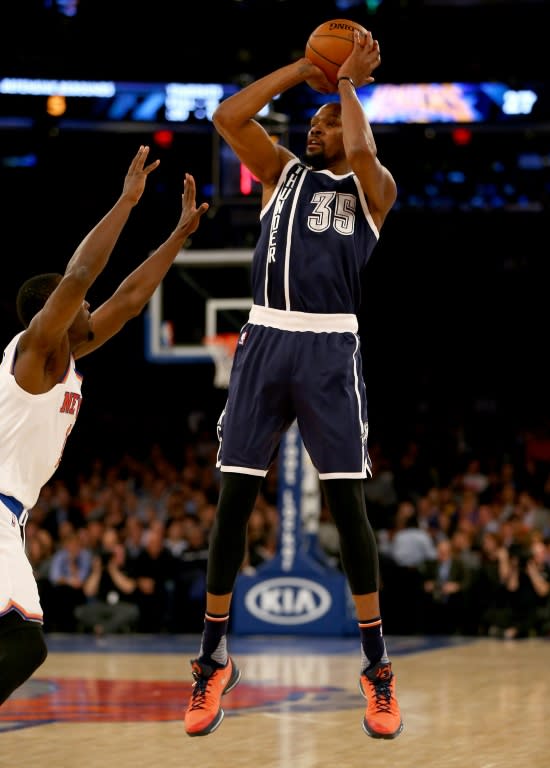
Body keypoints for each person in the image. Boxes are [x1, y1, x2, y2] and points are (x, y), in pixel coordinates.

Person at [183, 31, 403, 740]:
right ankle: (214, 660)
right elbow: (227, 117)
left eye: (325, 122)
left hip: (329, 348)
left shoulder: (373, 189)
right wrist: (305, 71)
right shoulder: (280, 171)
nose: (314, 128)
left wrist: (347, 87)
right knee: (232, 504)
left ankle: (376, 670)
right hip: (263, 339)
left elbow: (365, 151)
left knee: (349, 511)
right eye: (312, 121)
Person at [0, 145, 209, 706]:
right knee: (23, 645)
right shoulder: (34, 355)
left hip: (10, 516)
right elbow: (81, 272)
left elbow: (132, 298)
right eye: (80, 304)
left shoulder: (64, 361)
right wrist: (127, 201)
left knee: (16, 642)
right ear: (57, 312)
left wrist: (178, 235)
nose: (92, 305)